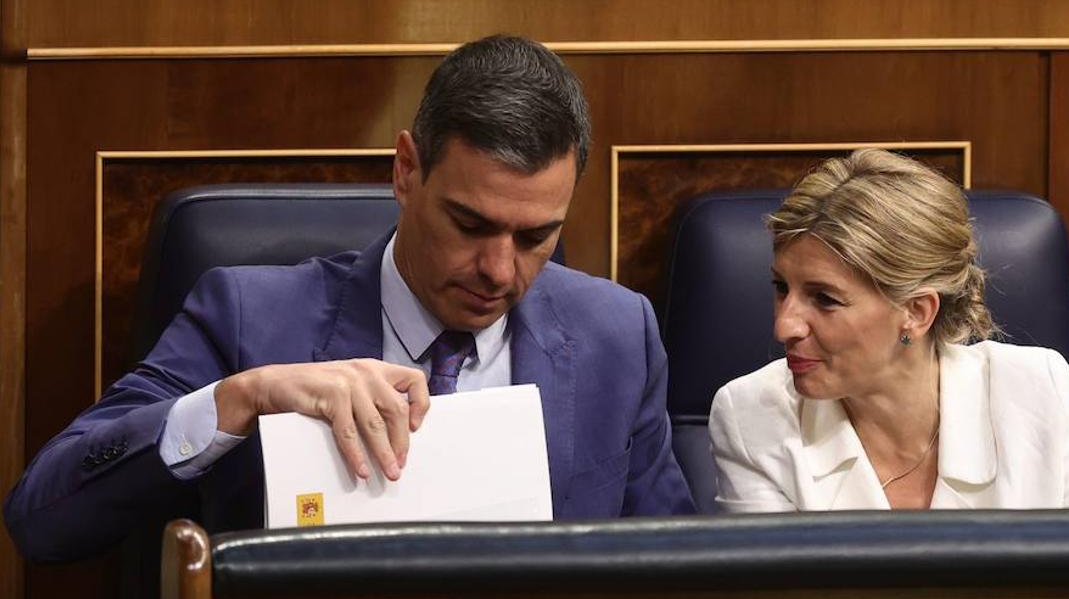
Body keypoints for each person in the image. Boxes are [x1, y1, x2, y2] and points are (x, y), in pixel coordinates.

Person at [5, 35, 694, 561]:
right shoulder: (251, 320)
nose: (497, 269)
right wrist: (244, 398)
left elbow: (676, 582)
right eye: (470, 224)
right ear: (405, 172)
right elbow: (43, 518)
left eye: (536, 236)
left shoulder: (616, 335)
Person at [709, 149, 1069, 512]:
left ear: (916, 311)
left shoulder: (1037, 389)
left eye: (825, 299)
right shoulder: (752, 417)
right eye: (781, 288)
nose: (784, 325)